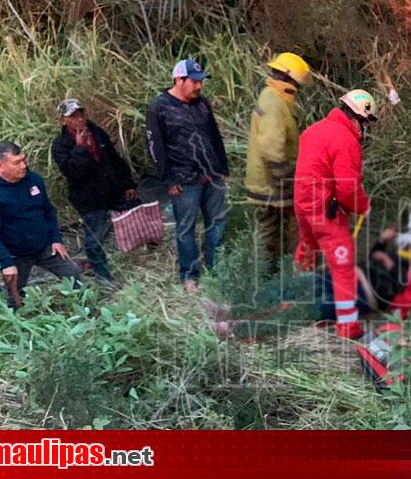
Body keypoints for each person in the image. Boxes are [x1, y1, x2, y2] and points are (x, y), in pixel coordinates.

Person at [294, 89, 377, 339]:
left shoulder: (314, 130)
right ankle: (348, 328)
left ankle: (298, 304)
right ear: (359, 118)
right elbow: (347, 188)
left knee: (307, 252)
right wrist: (363, 206)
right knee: (343, 269)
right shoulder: (346, 140)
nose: (365, 129)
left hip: (303, 207)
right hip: (325, 214)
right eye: (366, 123)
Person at [146, 59, 230, 294]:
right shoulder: (159, 107)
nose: (199, 86)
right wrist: (169, 179)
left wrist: (223, 167)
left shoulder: (202, 103)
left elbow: (214, 135)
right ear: (178, 80)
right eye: (194, 82)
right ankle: (189, 275)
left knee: (217, 223)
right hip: (184, 180)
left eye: (200, 82)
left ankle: (216, 270)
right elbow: (155, 147)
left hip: (211, 175)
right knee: (186, 228)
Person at [0, 141, 82, 308]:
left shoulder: (34, 180)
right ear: (0, 166)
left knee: (72, 272)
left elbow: (48, 211)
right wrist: (6, 263)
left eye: (23, 160)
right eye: (16, 163)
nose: (23, 166)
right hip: (15, 255)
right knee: (14, 294)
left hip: (44, 246)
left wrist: (56, 239)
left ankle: (84, 309)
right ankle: (19, 326)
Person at [51, 99, 139, 286]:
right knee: (94, 237)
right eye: (73, 117)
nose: (79, 119)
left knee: (137, 210)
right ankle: (102, 275)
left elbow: (114, 159)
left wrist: (128, 184)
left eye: (81, 114)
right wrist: (80, 148)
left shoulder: (96, 132)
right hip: (88, 198)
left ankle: (143, 252)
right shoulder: (60, 145)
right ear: (63, 121)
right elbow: (73, 173)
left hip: (112, 189)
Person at [244, 53, 311, 270]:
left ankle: (274, 273)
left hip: (268, 181)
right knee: (270, 232)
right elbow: (272, 147)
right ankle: (266, 277)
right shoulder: (274, 101)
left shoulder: (274, 98)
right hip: (270, 183)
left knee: (276, 231)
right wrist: (286, 179)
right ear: (292, 79)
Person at [318, 226, 410, 320]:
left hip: (365, 292)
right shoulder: (402, 256)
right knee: (317, 282)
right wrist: (382, 240)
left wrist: (386, 259)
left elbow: (406, 280)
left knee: (324, 305)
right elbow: (374, 257)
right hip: (352, 276)